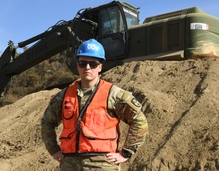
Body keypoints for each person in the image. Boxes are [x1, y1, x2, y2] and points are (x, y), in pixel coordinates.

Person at [41, 39, 148, 170]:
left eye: (93, 64)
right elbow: (47, 122)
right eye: (82, 63)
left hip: (102, 164)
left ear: (100, 67)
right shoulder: (63, 96)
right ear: (77, 65)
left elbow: (139, 121)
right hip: (69, 164)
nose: (87, 68)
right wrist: (53, 149)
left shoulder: (114, 94)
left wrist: (126, 153)